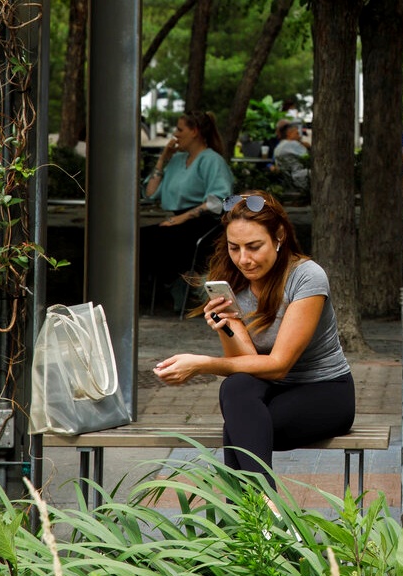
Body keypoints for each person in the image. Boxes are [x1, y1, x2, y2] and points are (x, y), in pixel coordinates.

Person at [152, 191, 355, 489]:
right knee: (237, 389)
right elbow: (243, 364)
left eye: (254, 246)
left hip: (325, 393)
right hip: (270, 392)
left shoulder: (307, 277)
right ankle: (263, 516)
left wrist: (201, 365)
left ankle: (255, 519)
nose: (243, 259)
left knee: (241, 428)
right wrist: (228, 325)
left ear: (279, 236)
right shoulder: (231, 280)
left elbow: (279, 365)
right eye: (234, 248)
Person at [141, 111, 234, 300]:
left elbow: (218, 202)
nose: (175, 134)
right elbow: (150, 193)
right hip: (177, 220)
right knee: (140, 238)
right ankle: (172, 284)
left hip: (205, 223)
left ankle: (178, 285)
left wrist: (182, 218)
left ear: (195, 132)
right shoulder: (176, 160)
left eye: (179, 129)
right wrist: (162, 159)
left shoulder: (212, 160)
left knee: (157, 239)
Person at [273, 122, 310, 191]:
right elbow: (309, 158)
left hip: (288, 180)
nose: (299, 136)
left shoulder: (279, 146)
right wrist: (309, 147)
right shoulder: (293, 144)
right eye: (297, 133)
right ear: (289, 134)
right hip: (299, 177)